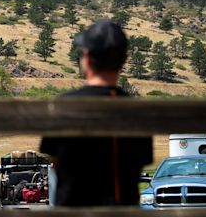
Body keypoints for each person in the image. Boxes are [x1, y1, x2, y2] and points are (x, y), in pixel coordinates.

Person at [40, 19, 153, 206]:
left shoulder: (63, 105)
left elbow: (55, 162)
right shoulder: (138, 111)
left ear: (87, 57)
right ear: (124, 60)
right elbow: (140, 163)